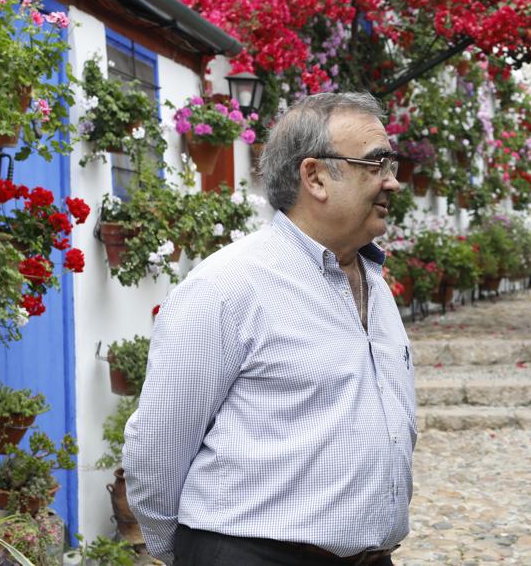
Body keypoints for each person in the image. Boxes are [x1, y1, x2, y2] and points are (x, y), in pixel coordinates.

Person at [125, 92, 414, 566]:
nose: (393, 182)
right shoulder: (227, 286)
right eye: (377, 163)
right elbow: (158, 444)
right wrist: (181, 551)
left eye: (393, 163)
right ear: (315, 176)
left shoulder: (372, 283)